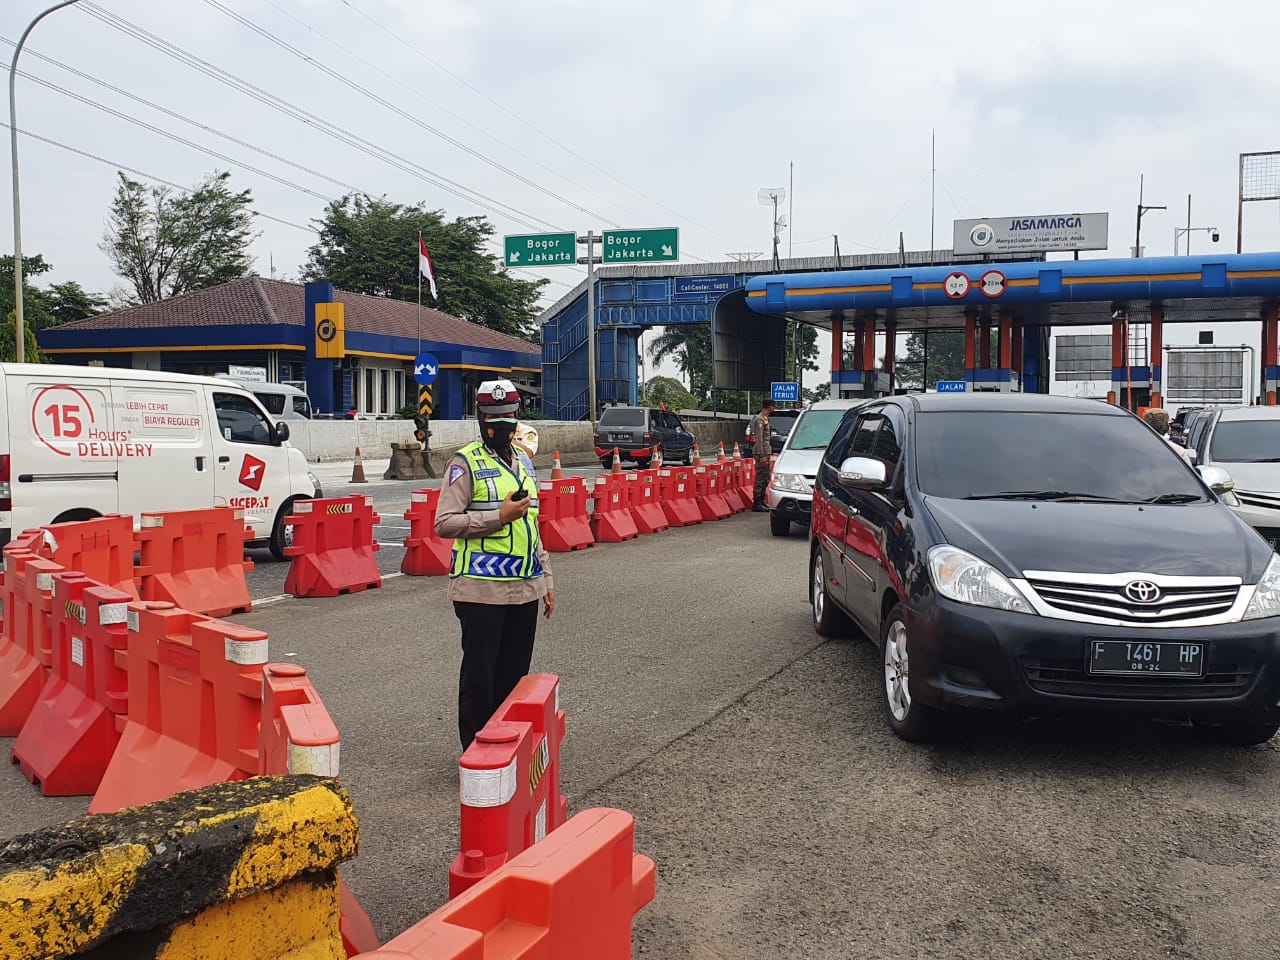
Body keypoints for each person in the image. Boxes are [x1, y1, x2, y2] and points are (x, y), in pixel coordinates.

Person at [435, 379, 555, 750]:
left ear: (517, 417)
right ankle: (476, 752)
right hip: (479, 590)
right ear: (480, 417)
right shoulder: (464, 463)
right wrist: (497, 518)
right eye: (493, 418)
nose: (501, 424)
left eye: (507, 417)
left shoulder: (524, 463)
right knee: (480, 679)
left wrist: (547, 578)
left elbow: (532, 526)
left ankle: (506, 749)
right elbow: (443, 523)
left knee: (514, 679)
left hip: (524, 589)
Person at [748, 399, 776, 512]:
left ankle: (762, 500)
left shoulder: (765, 419)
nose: (774, 409)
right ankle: (757, 502)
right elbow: (759, 439)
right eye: (773, 406)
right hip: (762, 452)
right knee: (760, 477)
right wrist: (761, 455)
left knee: (766, 477)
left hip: (766, 451)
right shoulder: (760, 419)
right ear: (770, 407)